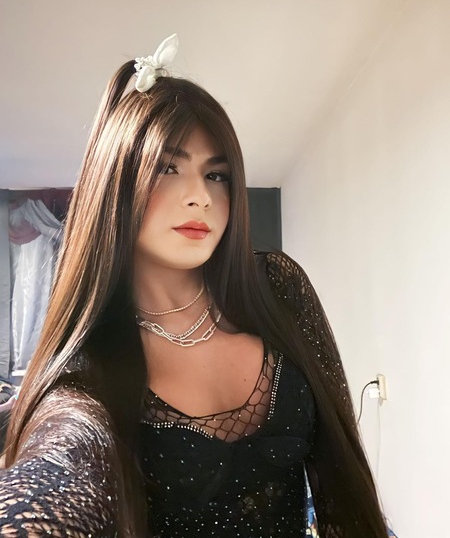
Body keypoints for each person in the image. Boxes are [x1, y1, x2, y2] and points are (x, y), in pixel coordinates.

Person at [0, 34, 388, 537]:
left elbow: (342, 469)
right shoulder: (88, 370)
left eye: (217, 176)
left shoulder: (277, 285)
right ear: (117, 184)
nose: (200, 197)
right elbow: (59, 464)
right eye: (168, 167)